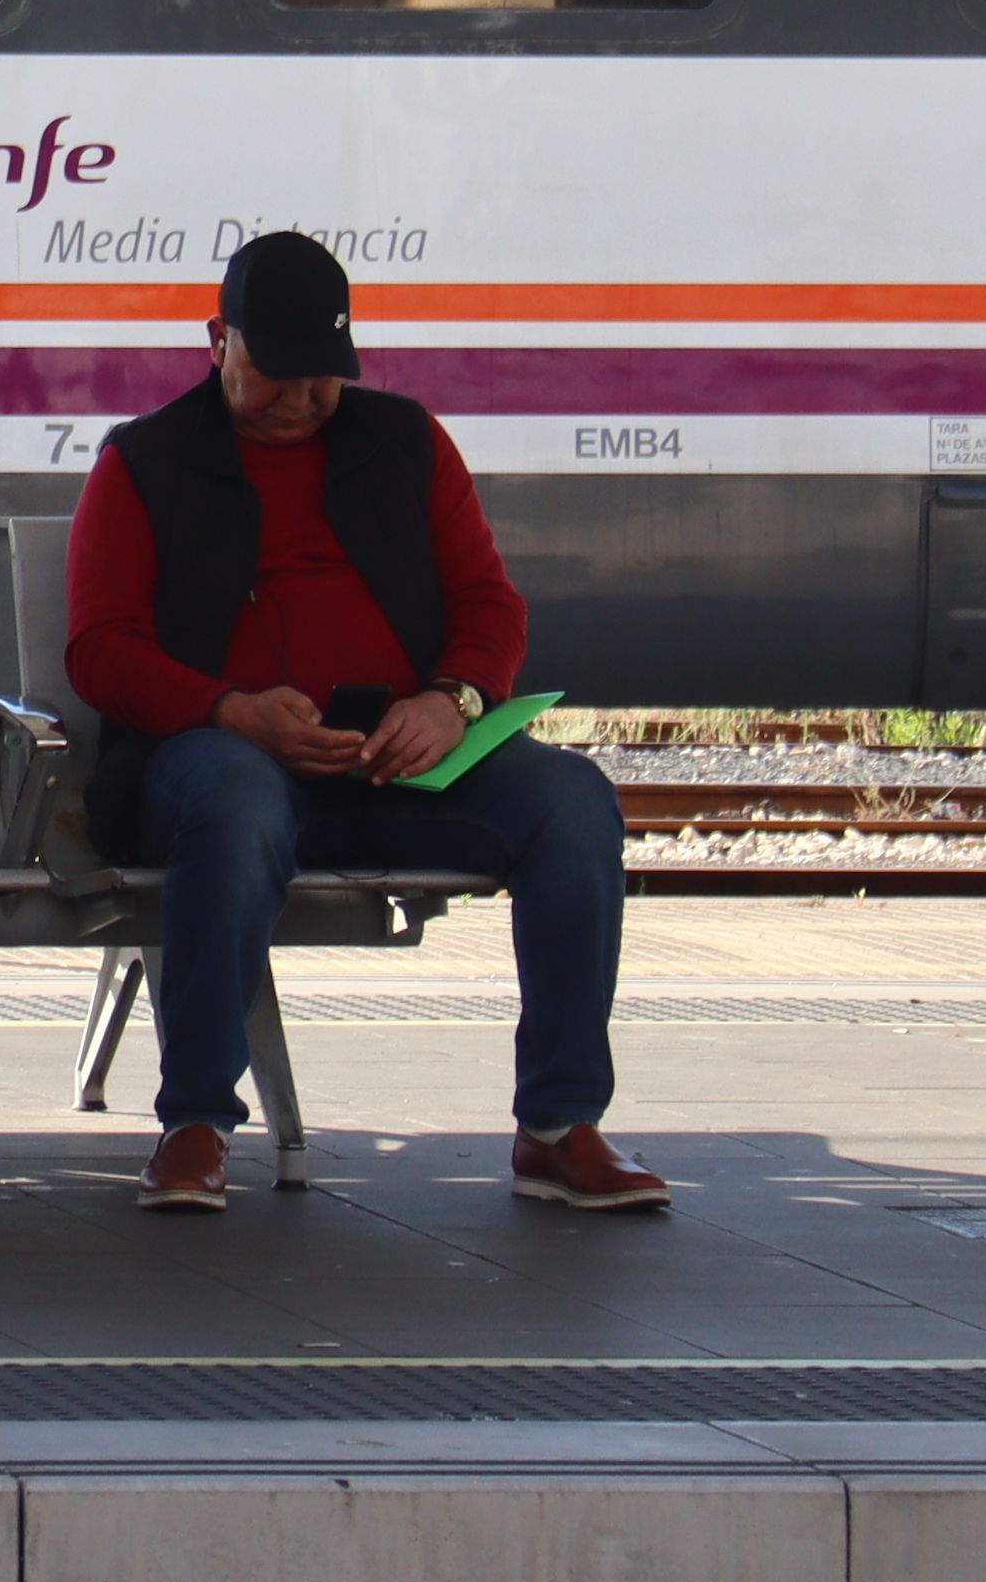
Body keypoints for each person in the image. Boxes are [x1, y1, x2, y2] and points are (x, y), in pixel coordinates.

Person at [62, 229, 665, 1215]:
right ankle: (196, 1123)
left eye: (324, 381)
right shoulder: (144, 463)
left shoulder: (407, 443)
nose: (302, 403)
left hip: (397, 765)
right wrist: (232, 710)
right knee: (234, 806)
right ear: (218, 341)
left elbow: (488, 605)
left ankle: (558, 1128)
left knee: (572, 804)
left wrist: (452, 700)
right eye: (277, 378)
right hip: (220, 760)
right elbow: (101, 649)